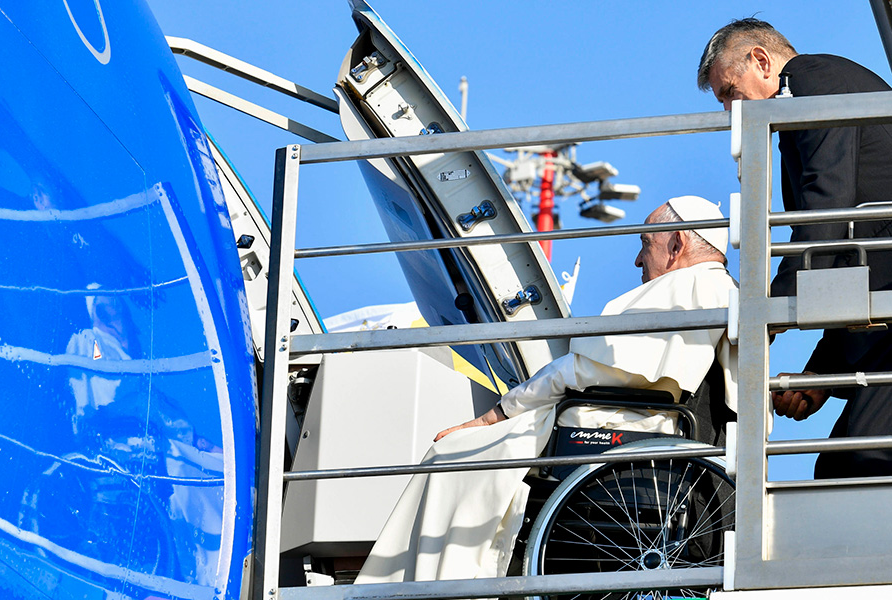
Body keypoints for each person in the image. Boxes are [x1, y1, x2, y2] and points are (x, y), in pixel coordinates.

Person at [354, 196, 737, 583]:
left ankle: (433, 583)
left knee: (453, 452)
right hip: (658, 447)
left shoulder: (685, 288)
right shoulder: (723, 293)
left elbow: (578, 370)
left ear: (676, 246)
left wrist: (495, 415)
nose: (638, 261)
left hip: (610, 438)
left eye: (644, 244)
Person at [698, 18, 892, 478]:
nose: (730, 111)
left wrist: (771, 308)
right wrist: (820, 377)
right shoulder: (811, 93)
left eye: (728, 91)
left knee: (856, 468)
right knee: (844, 469)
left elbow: (828, 205)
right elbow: (851, 256)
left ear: (761, 61)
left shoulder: (812, 79)